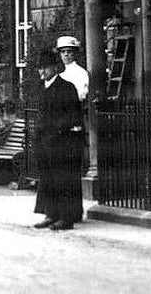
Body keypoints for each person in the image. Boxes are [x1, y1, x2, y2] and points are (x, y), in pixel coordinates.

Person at [32, 48, 85, 231]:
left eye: (45, 68)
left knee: (63, 179)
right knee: (48, 179)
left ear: (55, 68)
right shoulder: (42, 88)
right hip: (45, 142)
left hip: (63, 142)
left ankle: (66, 217)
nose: (41, 72)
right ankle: (51, 213)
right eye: (39, 68)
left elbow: (73, 116)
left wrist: (55, 130)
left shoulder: (66, 87)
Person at [56, 36, 90, 102]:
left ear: (75, 53)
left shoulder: (81, 73)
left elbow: (81, 96)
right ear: (60, 54)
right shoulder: (60, 74)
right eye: (63, 52)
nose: (66, 54)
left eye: (69, 51)